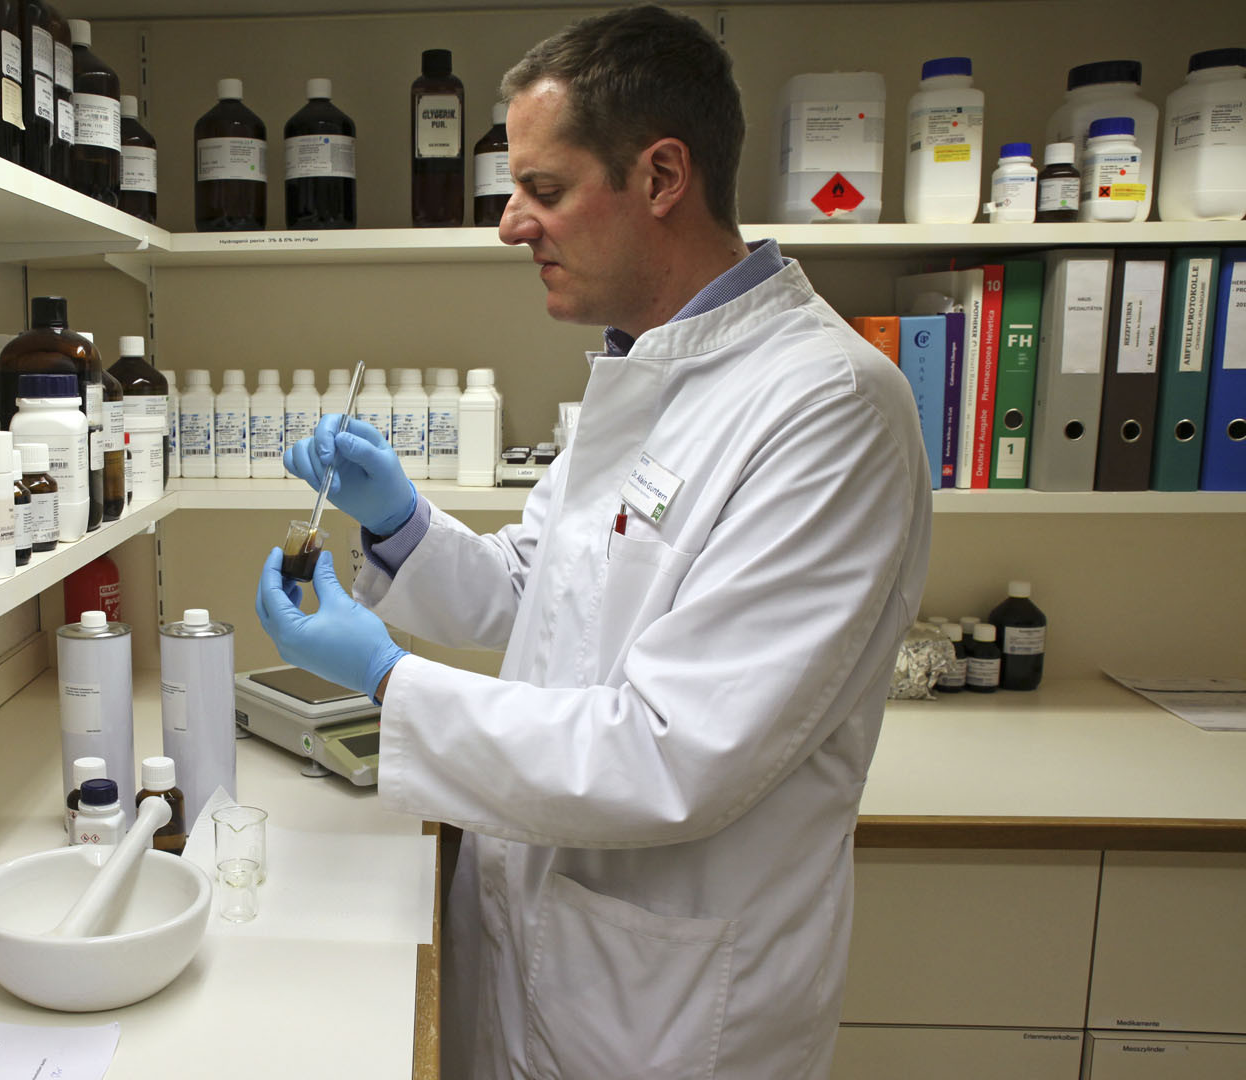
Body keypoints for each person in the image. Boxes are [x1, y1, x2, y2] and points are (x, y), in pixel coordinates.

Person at [253, 7, 931, 1079]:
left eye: (545, 189)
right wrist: (400, 523)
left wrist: (390, 682)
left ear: (662, 177)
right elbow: (544, 594)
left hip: (666, 1010)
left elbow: (670, 753)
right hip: (539, 939)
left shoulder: (829, 405)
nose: (512, 224)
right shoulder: (645, 371)